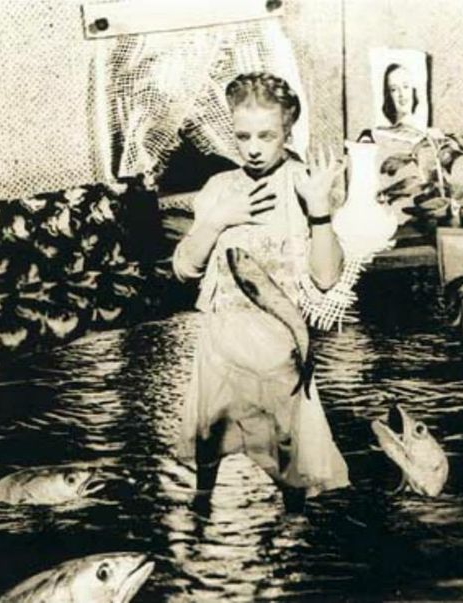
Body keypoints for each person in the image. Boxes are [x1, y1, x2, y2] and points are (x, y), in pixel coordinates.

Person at [172, 72, 350, 514]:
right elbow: (183, 269)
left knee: (288, 447)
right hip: (221, 341)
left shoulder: (303, 182)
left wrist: (320, 210)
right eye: (243, 135)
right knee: (210, 435)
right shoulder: (219, 188)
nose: (252, 148)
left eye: (266, 136)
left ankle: (295, 524)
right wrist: (217, 220)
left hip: (278, 344)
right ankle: (200, 511)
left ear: (288, 130)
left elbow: (326, 278)